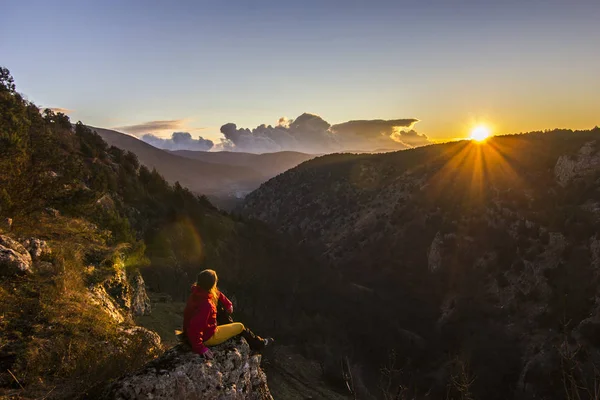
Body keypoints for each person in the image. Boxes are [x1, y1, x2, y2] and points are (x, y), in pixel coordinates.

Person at [182, 269, 273, 359]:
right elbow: (195, 327)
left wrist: (228, 304)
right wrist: (200, 348)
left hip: (191, 333)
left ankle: (231, 325)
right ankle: (259, 344)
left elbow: (217, 294)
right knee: (240, 326)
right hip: (208, 337)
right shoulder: (207, 305)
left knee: (218, 306)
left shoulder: (197, 293)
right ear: (213, 284)